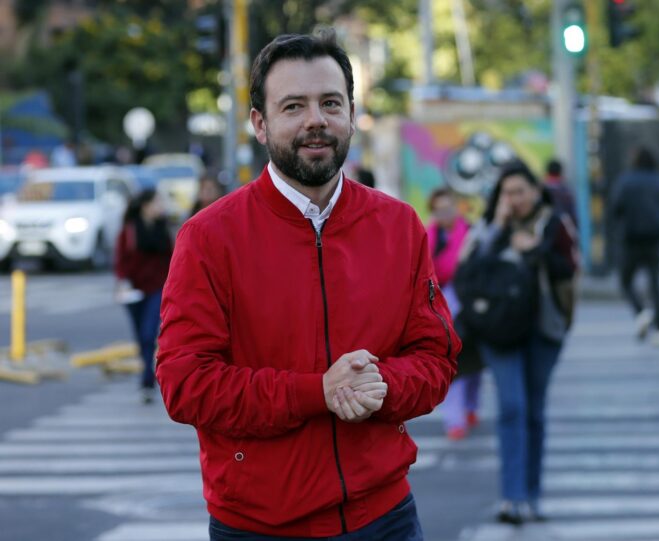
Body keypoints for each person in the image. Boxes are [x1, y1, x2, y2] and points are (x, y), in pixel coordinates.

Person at [155, 30, 460, 540]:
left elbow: (437, 356)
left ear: (351, 115)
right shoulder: (208, 237)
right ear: (260, 123)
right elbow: (186, 384)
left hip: (384, 517)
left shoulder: (400, 225)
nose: (315, 120)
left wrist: (381, 387)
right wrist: (316, 392)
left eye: (330, 103)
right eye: (293, 106)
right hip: (257, 525)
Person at [460, 160, 577, 525]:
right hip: (500, 330)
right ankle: (512, 498)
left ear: (535, 190)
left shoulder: (554, 223)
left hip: (543, 331)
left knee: (535, 413)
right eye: (508, 192)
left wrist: (534, 249)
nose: (515, 199)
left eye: (520, 191)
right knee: (511, 408)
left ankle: (533, 496)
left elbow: (569, 268)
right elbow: (468, 269)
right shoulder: (489, 226)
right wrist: (497, 226)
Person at [426, 188, 481, 441]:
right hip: (443, 306)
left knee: (475, 363)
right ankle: (455, 419)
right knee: (454, 363)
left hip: (470, 303)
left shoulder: (470, 232)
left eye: (449, 208)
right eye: (439, 209)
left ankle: (470, 406)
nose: (445, 213)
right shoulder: (429, 236)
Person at [610, 147, 659, 345]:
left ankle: (641, 311)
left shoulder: (625, 181)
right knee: (656, 283)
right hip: (656, 238)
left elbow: (616, 208)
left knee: (625, 280)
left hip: (631, 238)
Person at [114, 189, 173, 404]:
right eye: (157, 202)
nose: (161, 206)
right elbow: (120, 260)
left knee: (149, 334)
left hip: (157, 288)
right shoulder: (129, 230)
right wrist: (122, 282)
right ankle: (147, 376)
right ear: (145, 206)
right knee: (141, 337)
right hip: (133, 291)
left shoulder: (162, 228)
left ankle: (147, 380)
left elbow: (171, 258)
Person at [544, 158, 578, 227]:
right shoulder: (566, 190)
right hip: (564, 226)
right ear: (560, 172)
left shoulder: (542, 189)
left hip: (547, 226)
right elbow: (573, 213)